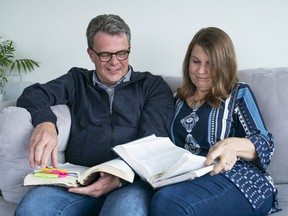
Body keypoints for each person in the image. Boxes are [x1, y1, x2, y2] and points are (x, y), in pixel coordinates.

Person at [15, 14, 174, 216]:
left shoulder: (152, 86)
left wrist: (118, 177)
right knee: (32, 208)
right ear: (91, 54)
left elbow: (152, 141)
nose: (114, 62)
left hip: (129, 182)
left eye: (122, 53)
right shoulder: (76, 80)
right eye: (105, 54)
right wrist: (46, 122)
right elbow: (33, 94)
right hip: (80, 180)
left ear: (129, 49)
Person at [150, 27, 279, 216]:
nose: (201, 70)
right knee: (163, 197)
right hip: (189, 180)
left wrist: (232, 146)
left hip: (238, 179)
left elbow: (265, 142)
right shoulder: (176, 99)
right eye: (196, 62)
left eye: (210, 64)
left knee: (169, 203)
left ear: (224, 65)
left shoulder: (237, 93)